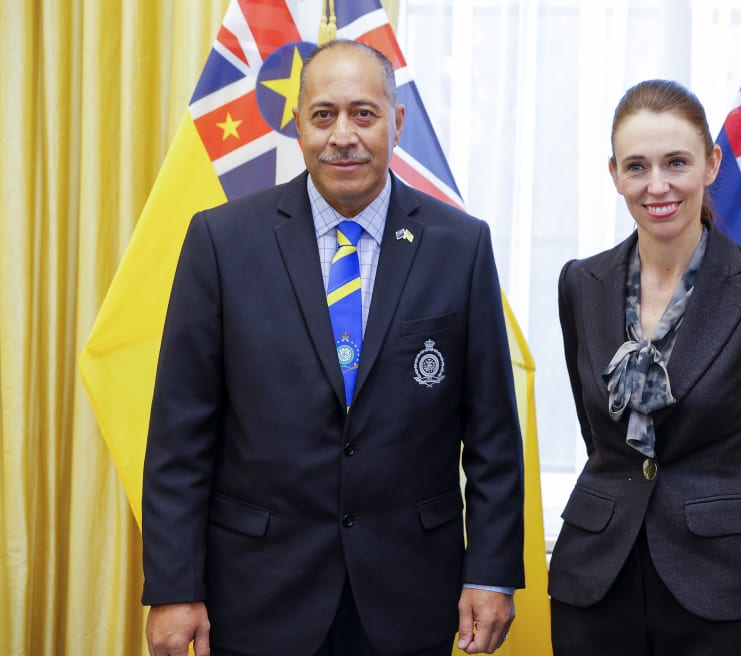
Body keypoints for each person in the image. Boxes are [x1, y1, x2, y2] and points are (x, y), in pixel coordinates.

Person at [141, 40, 524, 656]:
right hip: (258, 594)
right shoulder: (222, 241)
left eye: (363, 114)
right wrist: (174, 587)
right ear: (298, 125)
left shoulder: (461, 245)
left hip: (410, 595)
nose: (343, 135)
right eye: (324, 115)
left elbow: (493, 437)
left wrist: (491, 572)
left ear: (398, 122)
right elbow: (179, 437)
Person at [548, 79, 741, 655]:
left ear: (711, 164)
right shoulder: (580, 283)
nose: (657, 185)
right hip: (596, 579)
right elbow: (598, 432)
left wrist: (727, 523)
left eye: (676, 162)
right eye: (636, 166)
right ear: (615, 174)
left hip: (726, 585)